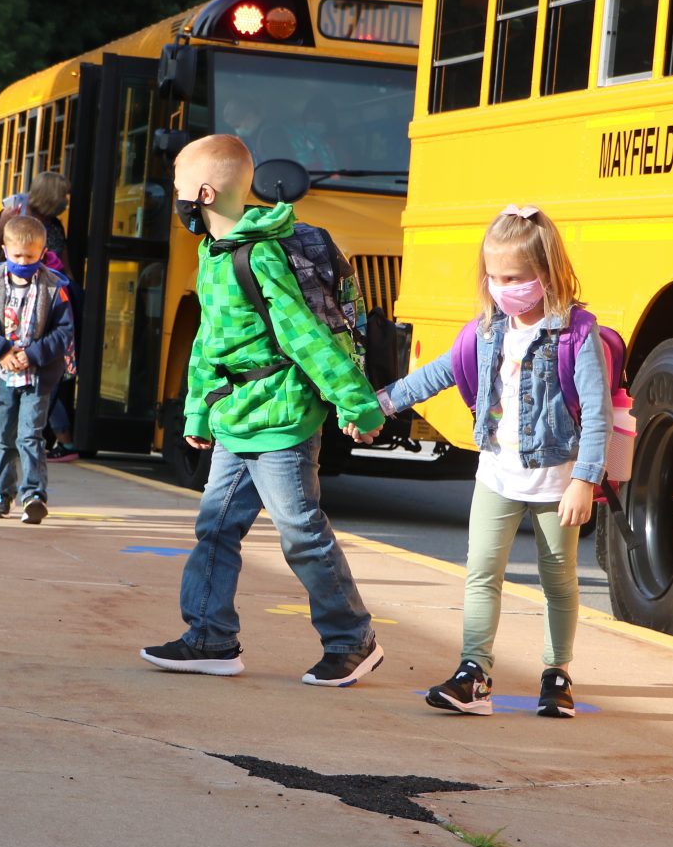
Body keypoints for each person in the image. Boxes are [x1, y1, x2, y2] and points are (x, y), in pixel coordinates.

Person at [138, 134, 386, 686]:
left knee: (301, 531)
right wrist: (198, 414)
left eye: (178, 184)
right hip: (236, 418)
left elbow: (302, 336)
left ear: (202, 192)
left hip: (281, 419)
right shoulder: (213, 252)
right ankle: (210, 637)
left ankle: (352, 638)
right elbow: (209, 342)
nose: (174, 195)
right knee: (216, 527)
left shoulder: (259, 253)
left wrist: (356, 401)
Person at [376, 205, 607, 718]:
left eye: (515, 278)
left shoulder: (575, 334)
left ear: (544, 274)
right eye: (494, 276)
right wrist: (382, 403)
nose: (503, 287)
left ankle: (557, 673)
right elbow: (435, 374)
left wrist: (585, 481)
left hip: (555, 479)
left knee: (559, 580)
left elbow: (596, 412)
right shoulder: (486, 331)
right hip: (497, 474)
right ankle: (473, 675)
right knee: (481, 572)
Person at [0, 215, 75, 524]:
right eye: (16, 256)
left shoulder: (55, 289)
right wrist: (0, 351)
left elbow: (64, 332)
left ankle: (34, 494)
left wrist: (35, 354)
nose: (23, 262)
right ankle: (1, 493)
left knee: (30, 435)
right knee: (2, 436)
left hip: (37, 376)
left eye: (30, 256)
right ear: (4, 250)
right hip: (2, 375)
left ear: (42, 253)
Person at [0, 171, 78, 461]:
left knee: (40, 378)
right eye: (62, 196)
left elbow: (64, 269)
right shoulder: (11, 215)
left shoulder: (54, 227)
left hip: (39, 305)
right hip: (6, 301)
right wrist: (2, 222)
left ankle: (11, 435)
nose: (66, 202)